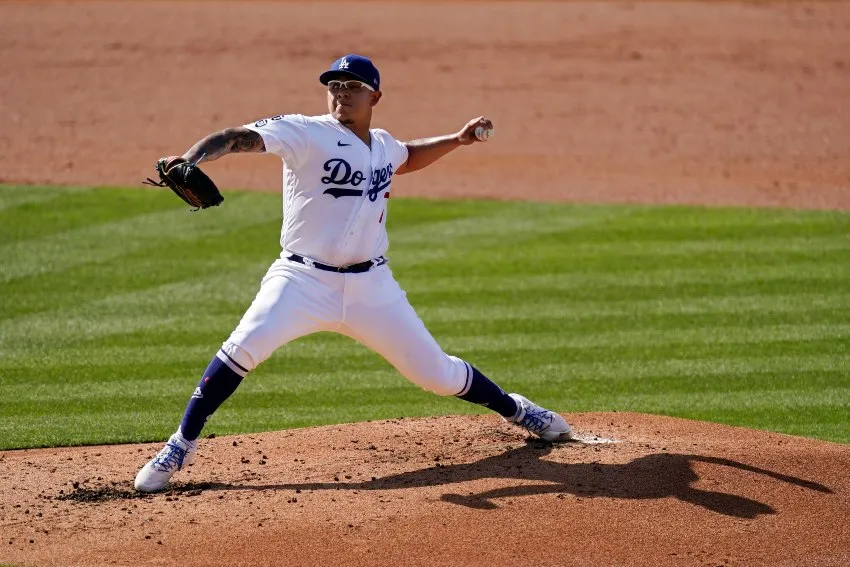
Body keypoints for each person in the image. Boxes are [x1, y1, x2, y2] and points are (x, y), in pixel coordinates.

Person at [134, 54, 572, 493]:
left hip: (372, 287)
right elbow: (234, 138)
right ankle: (180, 445)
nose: (341, 92)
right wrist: (191, 158)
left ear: (374, 96)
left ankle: (517, 410)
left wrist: (457, 140)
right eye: (335, 85)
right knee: (241, 349)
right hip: (301, 281)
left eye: (353, 86)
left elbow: (407, 157)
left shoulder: (382, 144)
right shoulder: (304, 132)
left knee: (437, 374)